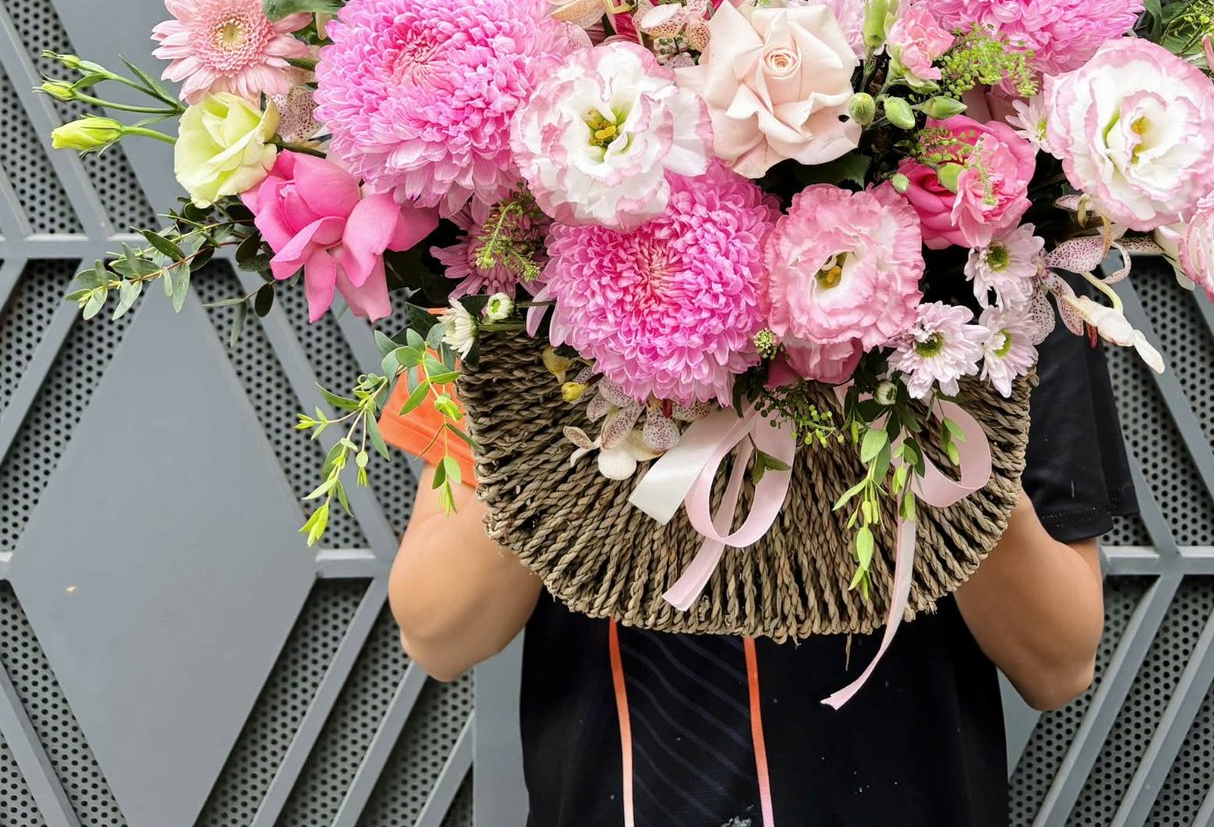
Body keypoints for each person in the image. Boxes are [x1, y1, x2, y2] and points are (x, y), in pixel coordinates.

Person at [381, 321, 1136, 827]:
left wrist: (942, 419)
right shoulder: (505, 286)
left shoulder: (1007, 286)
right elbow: (439, 634)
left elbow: (1060, 663)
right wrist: (552, 417)